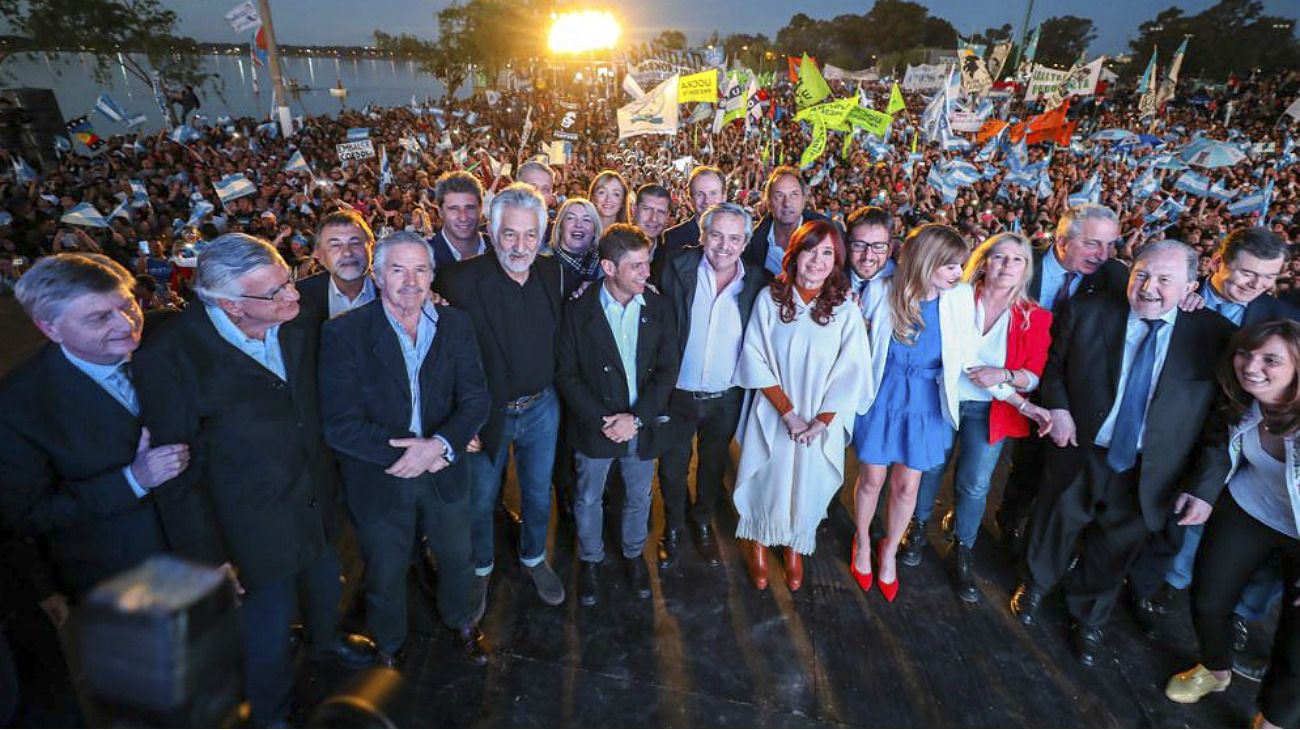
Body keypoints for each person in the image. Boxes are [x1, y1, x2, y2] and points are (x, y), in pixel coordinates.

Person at [134, 233, 373, 726]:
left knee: (328, 585)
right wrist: (209, 560)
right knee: (265, 638)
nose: (292, 295)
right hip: (250, 532)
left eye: (288, 279)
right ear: (229, 304)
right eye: (274, 292)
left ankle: (326, 642)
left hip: (318, 500)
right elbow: (177, 475)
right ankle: (271, 713)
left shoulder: (295, 313)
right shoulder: (171, 359)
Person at [1009, 240, 1235, 667]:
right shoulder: (1088, 311)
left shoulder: (1214, 337)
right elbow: (1052, 369)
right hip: (1080, 447)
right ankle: (1035, 586)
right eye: (1142, 275)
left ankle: (1088, 617)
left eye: (1165, 280)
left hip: (1152, 469)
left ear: (1191, 284)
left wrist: (1204, 488)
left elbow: (1220, 423)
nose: (1149, 288)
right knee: (1055, 520)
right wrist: (1057, 407)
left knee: (1115, 547)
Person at [319, 231, 491, 667]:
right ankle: (389, 644)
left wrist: (440, 446)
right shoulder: (343, 334)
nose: (410, 280)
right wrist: (409, 455)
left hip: (444, 468)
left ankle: (462, 620)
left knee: (456, 557)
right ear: (378, 276)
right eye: (398, 269)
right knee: (385, 569)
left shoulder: (457, 325)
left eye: (420, 269)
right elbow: (341, 425)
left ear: (433, 275)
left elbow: (476, 399)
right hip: (381, 476)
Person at [0, 254, 189, 600]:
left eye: (128, 305)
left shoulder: (170, 335)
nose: (126, 325)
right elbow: (29, 515)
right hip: (123, 580)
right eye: (99, 317)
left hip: (214, 554)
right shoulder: (19, 404)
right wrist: (133, 480)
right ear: (50, 328)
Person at [433, 184, 567, 610]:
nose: (520, 245)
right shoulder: (457, 280)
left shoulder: (552, 273)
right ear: (492, 230)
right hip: (484, 415)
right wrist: (459, 420)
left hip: (542, 408)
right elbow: (439, 359)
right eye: (510, 233)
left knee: (538, 494)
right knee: (481, 500)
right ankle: (480, 570)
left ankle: (533, 557)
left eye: (531, 235)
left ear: (543, 235)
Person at [1163, 320, 1300, 730]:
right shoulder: (1242, 396)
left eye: (1270, 360)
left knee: (1297, 648)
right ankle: (1215, 668)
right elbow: (1218, 445)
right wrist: (1204, 492)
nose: (1251, 365)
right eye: (1246, 353)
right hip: (1250, 506)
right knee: (1208, 597)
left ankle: (1275, 720)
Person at [908, 232, 1054, 602]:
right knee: (930, 467)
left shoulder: (1034, 317)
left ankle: (963, 548)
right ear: (984, 260)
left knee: (974, 483)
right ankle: (918, 527)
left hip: (992, 408)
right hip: (944, 398)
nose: (1007, 266)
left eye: (1017, 260)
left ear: (1026, 270)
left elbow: (1033, 373)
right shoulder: (955, 297)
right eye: (999, 257)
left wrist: (1004, 376)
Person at [732, 219, 870, 592]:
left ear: (837, 260)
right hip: (778, 411)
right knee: (769, 474)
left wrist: (822, 421)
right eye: (810, 249)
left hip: (819, 419)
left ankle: (795, 544)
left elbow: (852, 370)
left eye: (828, 252)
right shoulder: (771, 299)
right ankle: (759, 539)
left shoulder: (845, 310)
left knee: (806, 482)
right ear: (795, 253)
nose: (817, 260)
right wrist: (788, 414)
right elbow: (754, 356)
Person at [849, 224, 975, 602]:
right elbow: (859, 343)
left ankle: (888, 550)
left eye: (961, 266)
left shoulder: (961, 298)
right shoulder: (881, 291)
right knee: (871, 478)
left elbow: (966, 355)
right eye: (951, 266)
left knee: (908, 486)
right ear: (928, 261)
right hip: (883, 394)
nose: (959, 274)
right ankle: (861, 543)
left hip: (925, 402)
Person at [555, 224, 679, 606]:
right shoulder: (578, 310)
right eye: (636, 267)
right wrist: (603, 421)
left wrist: (636, 419)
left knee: (639, 496)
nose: (647, 273)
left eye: (647, 264)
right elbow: (566, 373)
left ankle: (632, 555)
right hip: (597, 429)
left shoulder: (658, 307)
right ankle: (590, 561)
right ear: (609, 268)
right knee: (589, 498)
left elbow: (666, 370)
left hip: (638, 427)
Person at [996, 204, 1131, 549]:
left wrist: (1191, 297)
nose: (1103, 255)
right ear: (1061, 240)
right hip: (1006, 380)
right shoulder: (1024, 263)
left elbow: (1157, 298)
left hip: (1065, 393)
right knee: (989, 461)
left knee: (1039, 466)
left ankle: (1016, 526)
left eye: (1109, 245)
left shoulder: (1116, 278)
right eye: (1092, 244)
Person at [657, 202, 766, 569]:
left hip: (725, 398)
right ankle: (672, 526)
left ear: (746, 241)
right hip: (676, 394)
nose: (724, 245)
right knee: (672, 469)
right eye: (716, 235)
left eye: (734, 238)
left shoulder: (756, 281)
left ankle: (702, 522)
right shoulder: (676, 268)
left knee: (712, 467)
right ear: (702, 235)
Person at [743, 166, 830, 278]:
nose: (787, 203)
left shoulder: (826, 232)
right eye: (779, 195)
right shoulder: (752, 243)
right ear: (768, 202)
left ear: (804, 200)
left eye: (794, 195)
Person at [296, 209, 377, 322]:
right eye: (335, 245)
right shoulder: (299, 297)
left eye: (355, 243)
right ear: (320, 257)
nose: (347, 253)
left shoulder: (393, 290)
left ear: (372, 249)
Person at [659, 165, 726, 268]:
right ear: (690, 198)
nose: (707, 200)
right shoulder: (673, 238)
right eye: (700, 194)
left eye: (713, 193)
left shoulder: (739, 236)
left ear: (724, 197)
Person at [843, 206, 897, 328]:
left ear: (890, 249)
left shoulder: (904, 283)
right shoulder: (830, 278)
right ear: (847, 245)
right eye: (859, 245)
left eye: (878, 246)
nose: (868, 256)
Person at [429, 171, 489, 268]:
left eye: (470, 208)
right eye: (454, 209)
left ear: (481, 208)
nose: (463, 217)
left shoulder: (500, 250)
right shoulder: (423, 257)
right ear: (440, 212)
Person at [548, 197, 603, 299]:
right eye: (571, 218)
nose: (578, 225)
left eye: (586, 219)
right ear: (560, 226)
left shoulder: (604, 269)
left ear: (595, 230)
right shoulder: (541, 264)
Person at [632, 182, 671, 251]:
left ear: (667, 216)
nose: (654, 218)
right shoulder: (614, 246)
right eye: (647, 209)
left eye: (661, 212)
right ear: (634, 210)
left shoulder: (672, 253)